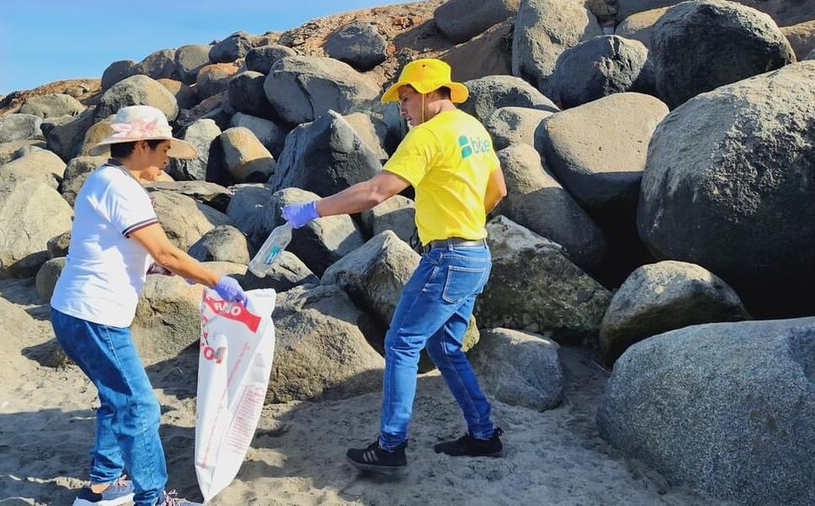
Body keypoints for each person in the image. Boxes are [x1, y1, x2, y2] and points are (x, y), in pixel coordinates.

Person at [281, 58, 508, 474]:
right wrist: (464, 221)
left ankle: (390, 446)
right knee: (444, 346)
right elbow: (498, 190)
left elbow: (374, 192)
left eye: (404, 99)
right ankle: (483, 434)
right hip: (476, 254)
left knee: (402, 343)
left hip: (449, 258)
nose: (401, 109)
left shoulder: (427, 135)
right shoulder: (474, 130)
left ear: (425, 94)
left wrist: (313, 209)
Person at [50, 105, 248, 506]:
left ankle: (102, 488)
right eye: (163, 150)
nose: (167, 160)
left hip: (77, 311)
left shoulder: (106, 180)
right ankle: (153, 498)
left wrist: (152, 266)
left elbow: (119, 246)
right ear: (141, 145)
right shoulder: (121, 187)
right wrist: (217, 280)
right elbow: (167, 251)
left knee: (116, 398)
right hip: (94, 315)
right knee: (141, 407)